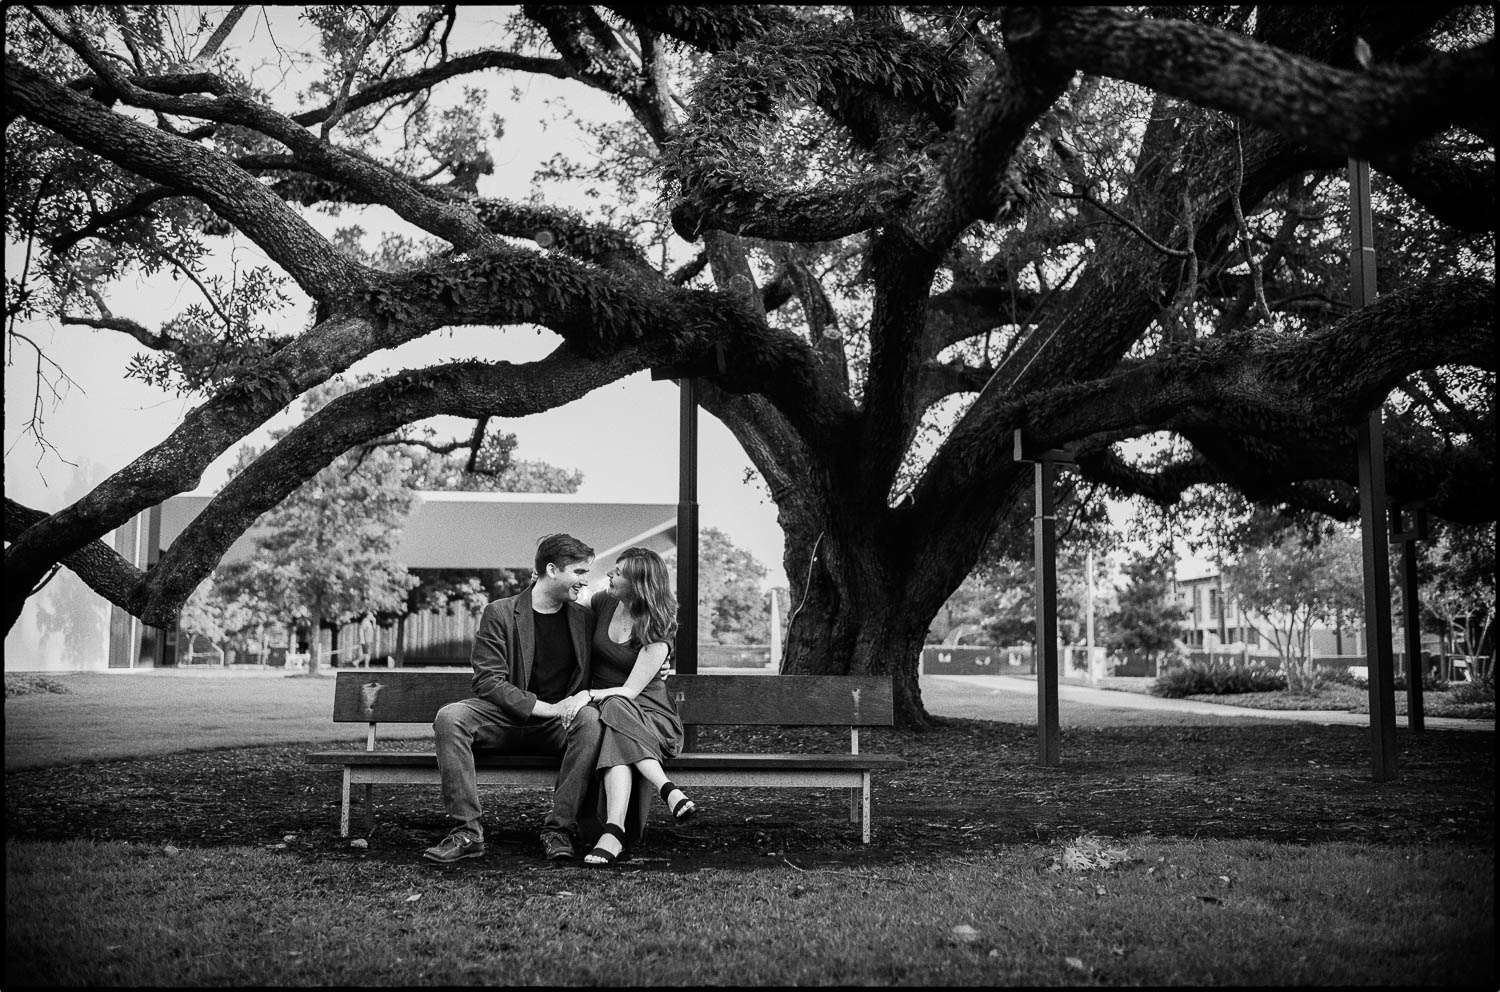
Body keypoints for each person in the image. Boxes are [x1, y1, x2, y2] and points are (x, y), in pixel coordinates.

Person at [423, 534, 602, 864]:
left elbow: (623, 644)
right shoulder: (501, 613)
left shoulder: (585, 619)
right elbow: (488, 681)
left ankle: (558, 830)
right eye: (579, 572)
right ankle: (467, 832)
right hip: (505, 720)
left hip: (557, 728)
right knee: (450, 717)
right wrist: (547, 707)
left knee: (590, 721)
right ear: (551, 569)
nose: (584, 580)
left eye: (586, 573)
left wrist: (659, 662)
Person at [581, 547, 697, 865]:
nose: (610, 575)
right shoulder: (603, 602)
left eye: (618, 573)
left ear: (638, 583)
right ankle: (665, 794)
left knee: (615, 707)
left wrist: (590, 695)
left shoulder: (657, 626)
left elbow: (630, 691)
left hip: (652, 717)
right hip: (616, 714)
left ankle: (614, 830)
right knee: (613, 720)